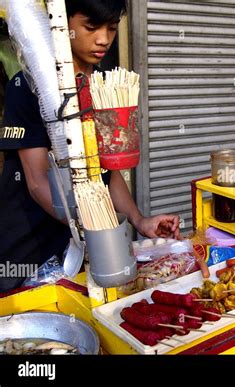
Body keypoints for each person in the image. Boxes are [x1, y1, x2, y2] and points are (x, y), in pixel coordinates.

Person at [0, 0, 180, 292]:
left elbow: (106, 172)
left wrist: (138, 220)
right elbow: (35, 182)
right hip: (30, 248)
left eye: (111, 28)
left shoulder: (101, 87)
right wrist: (96, 232)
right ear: (62, 24)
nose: (103, 39)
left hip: (86, 252)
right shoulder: (28, 87)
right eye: (91, 27)